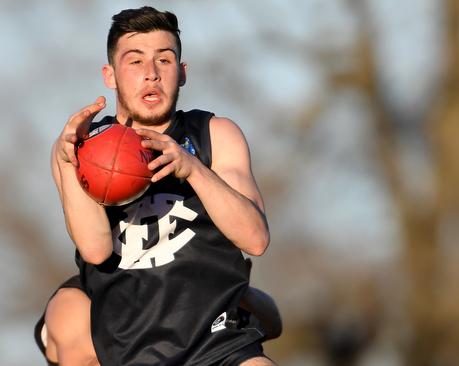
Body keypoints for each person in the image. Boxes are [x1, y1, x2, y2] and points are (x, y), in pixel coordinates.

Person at [37, 6, 279, 365]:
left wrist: (194, 169)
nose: (151, 74)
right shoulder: (81, 147)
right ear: (110, 75)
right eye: (135, 62)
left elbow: (255, 239)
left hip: (216, 346)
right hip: (129, 347)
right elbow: (96, 249)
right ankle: (249, 299)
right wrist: (66, 159)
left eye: (164, 60)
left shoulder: (214, 135)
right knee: (65, 313)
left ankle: (244, 300)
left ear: (181, 73)